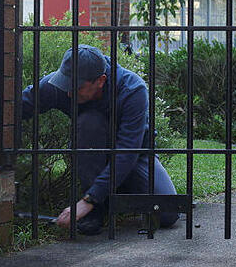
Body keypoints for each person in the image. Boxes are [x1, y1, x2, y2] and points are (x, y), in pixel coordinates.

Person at [21, 44, 179, 235]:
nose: (69, 93)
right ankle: (97, 209)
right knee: (90, 122)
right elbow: (19, 105)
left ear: (101, 81)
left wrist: (88, 200)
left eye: (77, 87)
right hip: (90, 153)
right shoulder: (59, 86)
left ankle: (110, 195)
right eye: (66, 84)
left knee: (168, 213)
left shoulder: (132, 89)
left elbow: (127, 152)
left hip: (133, 156)